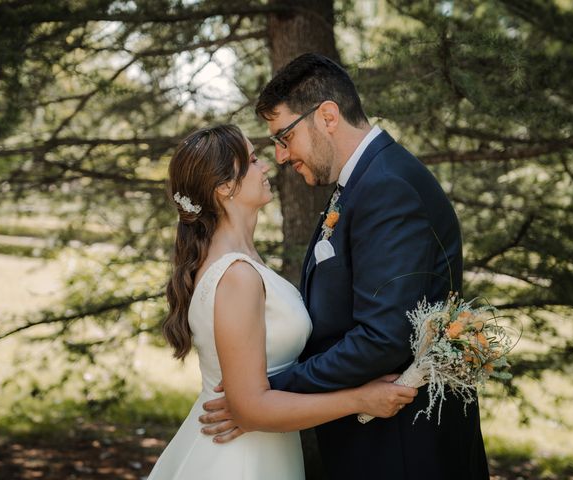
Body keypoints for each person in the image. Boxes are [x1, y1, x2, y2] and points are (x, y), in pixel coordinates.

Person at [200, 54, 490, 479]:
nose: (280, 156)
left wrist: (266, 396)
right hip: (375, 439)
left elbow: (383, 338)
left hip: (403, 449)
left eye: (284, 136)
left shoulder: (387, 186)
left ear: (328, 117)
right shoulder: (361, 182)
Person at [146, 124, 417, 479]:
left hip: (265, 449)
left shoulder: (242, 262)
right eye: (254, 160)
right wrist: (361, 399)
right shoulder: (236, 276)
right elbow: (250, 410)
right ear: (225, 186)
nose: (267, 167)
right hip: (240, 460)